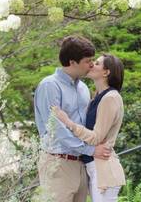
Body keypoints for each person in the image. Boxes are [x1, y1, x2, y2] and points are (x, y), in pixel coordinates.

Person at [34, 35, 113, 202]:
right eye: (87, 61)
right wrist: (91, 150)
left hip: (81, 164)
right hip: (58, 163)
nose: (91, 64)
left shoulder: (83, 88)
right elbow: (57, 130)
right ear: (72, 62)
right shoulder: (50, 86)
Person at [52, 54, 126, 202]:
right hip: (95, 167)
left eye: (97, 63)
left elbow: (96, 137)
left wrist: (68, 122)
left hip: (104, 170)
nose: (92, 64)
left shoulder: (110, 98)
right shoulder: (97, 97)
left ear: (106, 72)